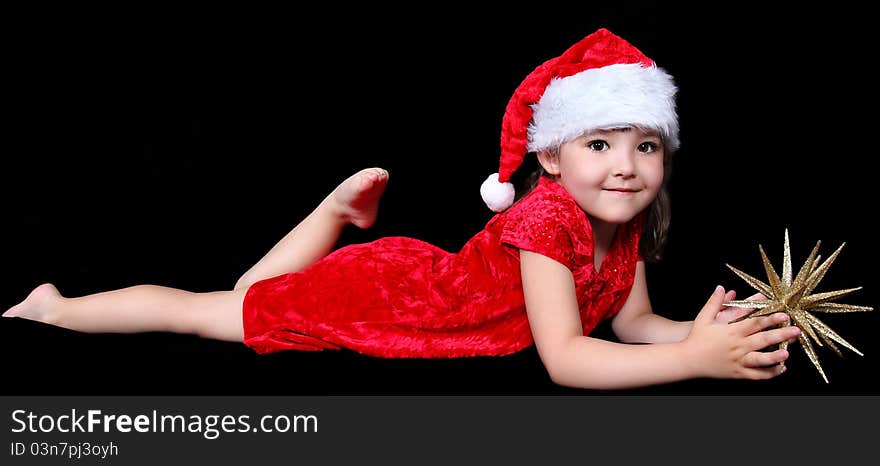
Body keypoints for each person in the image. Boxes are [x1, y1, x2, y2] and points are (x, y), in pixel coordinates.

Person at [2, 28, 799, 390]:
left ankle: (335, 215)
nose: (627, 166)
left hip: (425, 275)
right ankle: (59, 311)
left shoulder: (619, 233)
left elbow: (631, 327)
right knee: (213, 312)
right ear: (550, 158)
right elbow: (566, 359)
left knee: (248, 294)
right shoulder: (544, 223)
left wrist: (707, 331)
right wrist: (690, 365)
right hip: (388, 300)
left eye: (647, 147)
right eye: (600, 144)